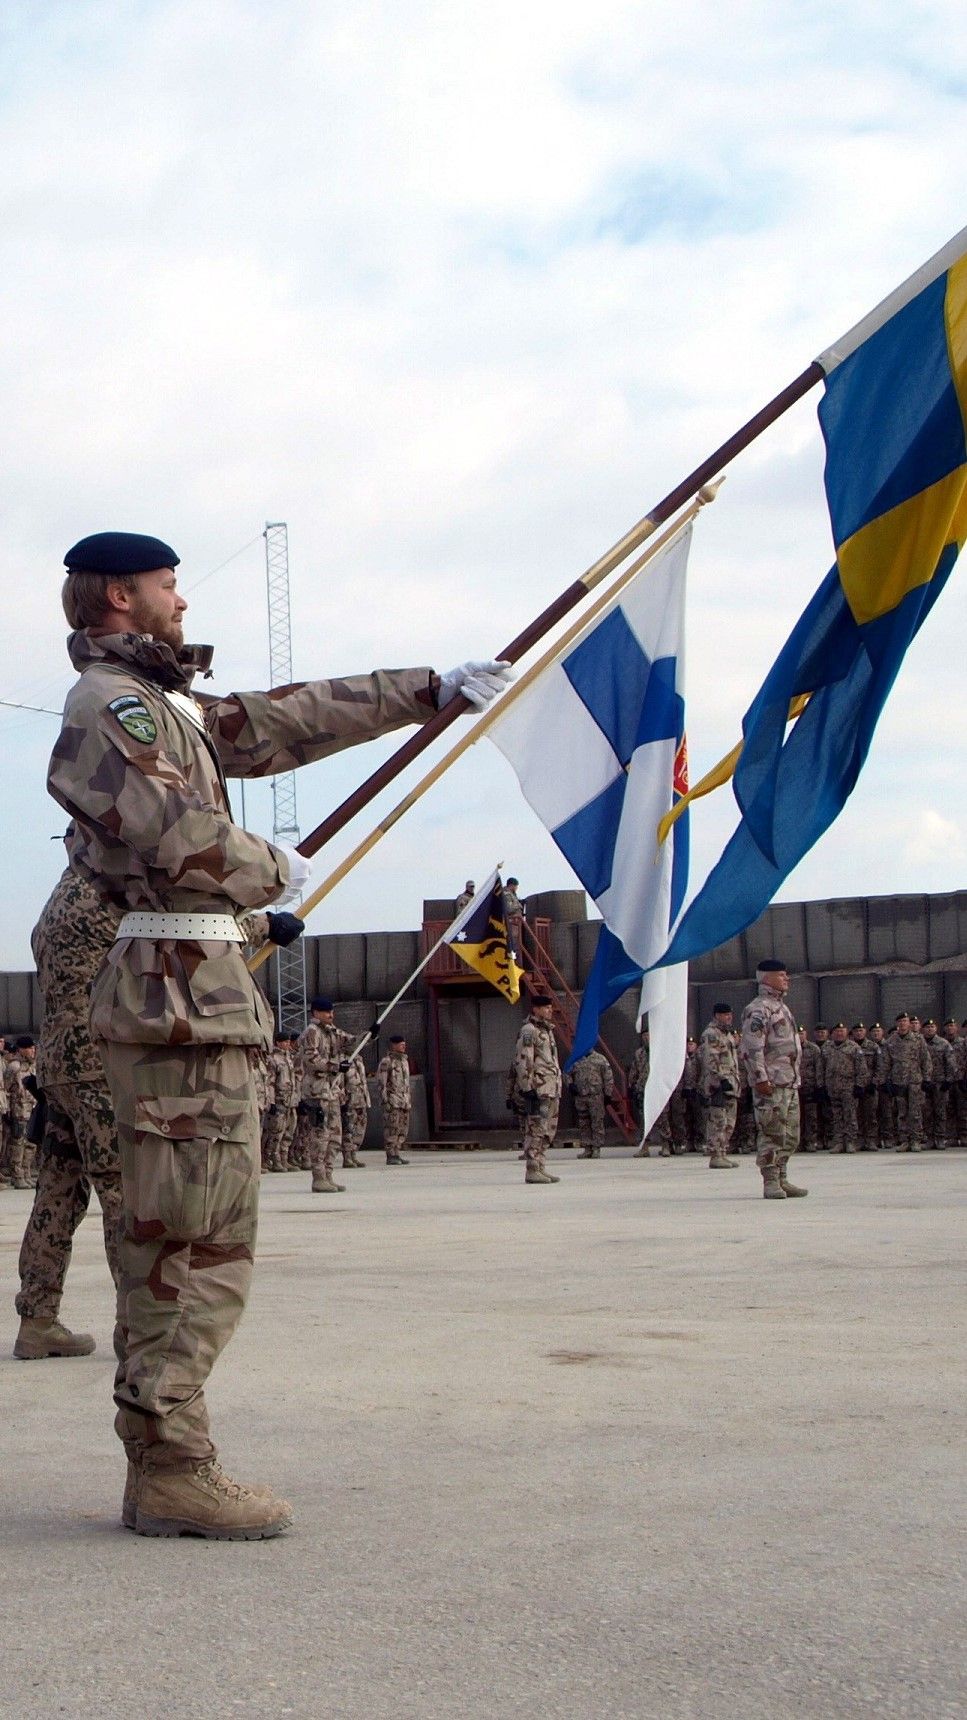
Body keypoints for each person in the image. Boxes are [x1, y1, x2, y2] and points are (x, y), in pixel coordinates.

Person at [46, 527, 512, 1540]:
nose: (182, 595)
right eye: (168, 582)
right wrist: (268, 867)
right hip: (174, 1006)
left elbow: (279, 720)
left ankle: (169, 1457)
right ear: (120, 596)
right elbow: (174, 833)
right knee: (191, 1245)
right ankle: (173, 1464)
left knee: (188, 1238)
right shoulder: (109, 708)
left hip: (193, 999)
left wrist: (425, 690)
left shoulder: (169, 703)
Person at [14, 869, 123, 1360]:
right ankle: (140, 1329)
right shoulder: (110, 885)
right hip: (100, 1061)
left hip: (59, 1060)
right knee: (124, 1191)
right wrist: (264, 927)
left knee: (57, 1195)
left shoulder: (56, 902)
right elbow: (180, 925)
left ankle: (37, 1320)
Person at [739, 960, 806, 1200]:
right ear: (766, 978)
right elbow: (752, 1048)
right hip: (771, 1083)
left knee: (791, 1134)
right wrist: (759, 1078)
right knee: (772, 1132)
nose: (786, 979)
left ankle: (783, 1176)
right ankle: (770, 1180)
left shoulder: (782, 1007)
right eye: (781, 975)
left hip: (788, 1082)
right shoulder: (759, 1009)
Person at [298, 997, 354, 1193]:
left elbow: (351, 1042)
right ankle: (318, 1177)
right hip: (317, 1090)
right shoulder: (311, 1033)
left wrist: (369, 1034)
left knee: (335, 1136)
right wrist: (336, 1066)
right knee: (320, 1135)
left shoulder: (332, 1032)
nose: (330, 1015)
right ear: (315, 1013)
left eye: (331, 1012)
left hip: (332, 1092)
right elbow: (311, 1059)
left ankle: (329, 1174)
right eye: (325, 1012)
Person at [513, 994, 562, 1184]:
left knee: (548, 1129)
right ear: (536, 1009)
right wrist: (527, 1087)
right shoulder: (529, 1031)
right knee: (536, 1128)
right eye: (546, 1007)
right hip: (538, 1089)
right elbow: (523, 1059)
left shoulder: (547, 1030)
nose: (550, 1010)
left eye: (550, 1007)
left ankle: (541, 1165)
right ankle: (532, 1168)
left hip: (550, 1088)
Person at [698, 1003, 740, 1169]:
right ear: (716, 1015)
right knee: (718, 1121)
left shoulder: (727, 1034)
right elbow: (711, 1059)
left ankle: (723, 1152)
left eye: (730, 1014)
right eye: (725, 1014)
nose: (729, 1017)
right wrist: (720, 1079)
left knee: (729, 1121)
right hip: (718, 1085)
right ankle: (715, 1154)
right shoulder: (712, 1034)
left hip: (731, 1083)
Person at [884, 1011, 931, 1152]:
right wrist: (885, 1081)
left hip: (915, 1081)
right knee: (902, 1113)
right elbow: (886, 1063)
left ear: (909, 1023)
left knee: (915, 1112)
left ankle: (916, 1140)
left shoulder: (918, 1039)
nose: (902, 1024)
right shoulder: (891, 1041)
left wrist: (927, 1078)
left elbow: (926, 1060)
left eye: (905, 1021)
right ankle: (904, 1140)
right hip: (899, 1082)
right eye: (900, 1021)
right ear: (896, 1024)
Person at [820, 1022, 865, 1153]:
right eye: (837, 1031)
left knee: (850, 1115)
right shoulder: (827, 1048)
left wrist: (859, 1085)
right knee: (836, 1116)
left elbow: (861, 1068)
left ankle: (850, 1141)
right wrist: (822, 1086)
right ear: (832, 1033)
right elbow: (821, 1068)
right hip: (832, 1087)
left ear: (846, 1033)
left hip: (849, 1088)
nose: (839, 1033)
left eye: (842, 1031)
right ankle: (839, 1142)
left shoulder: (854, 1047)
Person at [568, 1048, 614, 1158]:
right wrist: (570, 1084)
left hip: (596, 1096)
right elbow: (567, 1073)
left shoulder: (600, 1059)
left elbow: (608, 1077)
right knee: (584, 1123)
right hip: (581, 1096)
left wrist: (608, 1093)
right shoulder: (576, 1059)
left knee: (597, 1122)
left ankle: (596, 1147)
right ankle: (587, 1147)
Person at [4, 1038, 37, 1190]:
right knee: (18, 1144)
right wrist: (8, 1111)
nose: (33, 1051)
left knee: (30, 1144)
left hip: (32, 1109)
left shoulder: (31, 1067)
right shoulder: (14, 1067)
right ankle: (17, 1175)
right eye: (29, 1048)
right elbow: (7, 1089)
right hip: (19, 1110)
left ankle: (27, 1173)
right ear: (21, 1049)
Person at [376, 1035, 412, 1163]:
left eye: (403, 1043)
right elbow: (382, 1083)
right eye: (399, 1043)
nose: (403, 1045)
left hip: (404, 1102)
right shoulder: (387, 1061)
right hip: (393, 1102)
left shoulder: (404, 1061)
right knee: (392, 1128)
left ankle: (397, 1153)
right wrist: (385, 1101)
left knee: (402, 1129)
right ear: (393, 1045)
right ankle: (390, 1154)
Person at [921, 1019, 952, 1149]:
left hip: (940, 1083)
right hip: (924, 1083)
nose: (929, 1029)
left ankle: (940, 1138)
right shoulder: (919, 1043)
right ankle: (929, 1139)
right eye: (927, 1027)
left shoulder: (943, 1044)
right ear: (923, 1029)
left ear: (936, 1028)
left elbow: (951, 1063)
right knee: (926, 1112)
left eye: (932, 1027)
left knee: (940, 1112)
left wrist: (948, 1080)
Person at [340, 1042, 371, 1168]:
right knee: (348, 1129)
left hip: (361, 1099)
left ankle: (354, 1154)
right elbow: (340, 1082)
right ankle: (347, 1157)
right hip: (350, 1101)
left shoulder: (359, 1060)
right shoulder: (343, 1060)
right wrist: (342, 1101)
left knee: (360, 1129)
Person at [502, 877, 524, 958]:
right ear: (511, 885)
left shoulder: (512, 894)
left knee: (516, 943)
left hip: (515, 923)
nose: (516, 888)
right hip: (511, 922)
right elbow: (508, 908)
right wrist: (518, 905)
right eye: (516, 886)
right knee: (513, 943)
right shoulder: (506, 894)